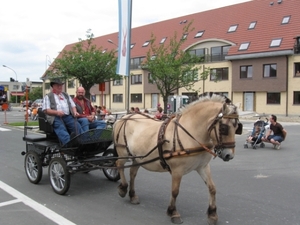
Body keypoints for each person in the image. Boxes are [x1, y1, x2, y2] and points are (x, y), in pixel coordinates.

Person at [42, 78, 83, 146]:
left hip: (67, 116)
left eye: (61, 85)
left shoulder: (65, 95)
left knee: (76, 125)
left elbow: (73, 106)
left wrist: (75, 112)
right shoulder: (48, 96)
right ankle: (68, 144)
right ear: (53, 86)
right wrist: (57, 112)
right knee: (61, 128)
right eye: (58, 85)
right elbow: (46, 110)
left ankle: (82, 141)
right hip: (55, 117)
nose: (60, 87)